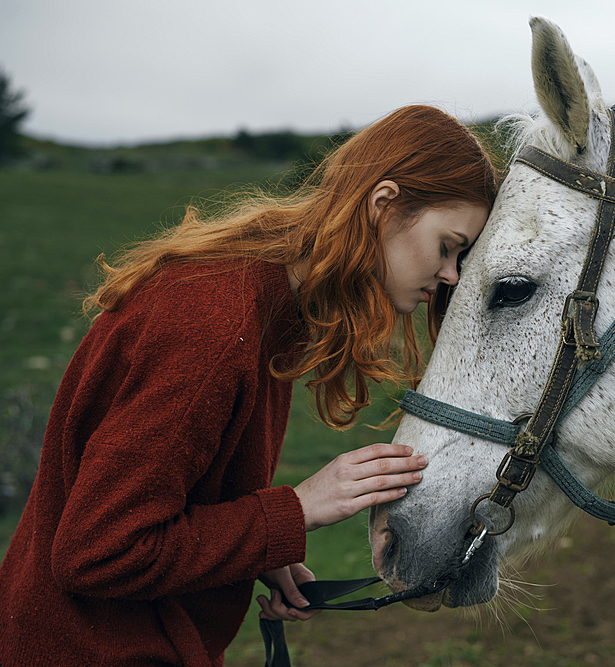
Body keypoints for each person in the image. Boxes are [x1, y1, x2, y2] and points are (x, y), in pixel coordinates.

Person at [0, 104, 498, 666]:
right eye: (447, 246)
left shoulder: (266, 304)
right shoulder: (212, 324)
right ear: (384, 207)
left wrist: (258, 550)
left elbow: (169, 496)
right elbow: (99, 551)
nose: (452, 274)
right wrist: (294, 510)